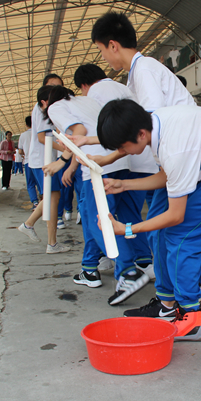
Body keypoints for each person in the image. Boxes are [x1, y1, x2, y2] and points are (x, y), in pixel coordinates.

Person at [96, 99, 201, 341]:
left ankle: (190, 316)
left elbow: (176, 216)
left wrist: (127, 229)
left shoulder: (173, 146)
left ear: (140, 134)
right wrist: (124, 185)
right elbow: (169, 175)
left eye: (122, 147)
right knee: (190, 239)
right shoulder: (158, 124)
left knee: (180, 238)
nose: (122, 153)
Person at [91, 11, 195, 318]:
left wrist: (110, 157)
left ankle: (173, 301)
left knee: (166, 232)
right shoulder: (140, 71)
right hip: (177, 160)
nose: (104, 57)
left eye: (100, 50)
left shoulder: (144, 70)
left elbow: (142, 128)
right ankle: (170, 297)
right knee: (167, 234)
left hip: (183, 160)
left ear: (112, 45)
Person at [74, 63, 157, 276]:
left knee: (99, 218)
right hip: (138, 162)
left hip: (113, 163)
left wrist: (71, 155)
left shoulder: (95, 93)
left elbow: (116, 130)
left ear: (84, 85)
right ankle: (144, 261)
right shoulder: (123, 89)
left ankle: (126, 269)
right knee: (130, 214)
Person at [17, 80, 70, 254]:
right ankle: (51, 243)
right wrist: (67, 149)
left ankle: (30, 225)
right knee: (52, 201)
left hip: (44, 160)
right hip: (43, 161)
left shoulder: (45, 109)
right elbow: (43, 138)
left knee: (51, 199)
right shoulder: (42, 110)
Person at [18, 115, 39, 208]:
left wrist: (24, 153)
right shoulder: (38, 133)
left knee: (30, 184)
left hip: (28, 161)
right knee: (40, 182)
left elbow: (20, 151)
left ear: (26, 125)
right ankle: (44, 200)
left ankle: (35, 202)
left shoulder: (23, 135)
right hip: (39, 162)